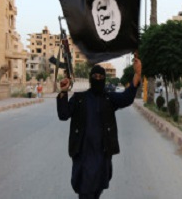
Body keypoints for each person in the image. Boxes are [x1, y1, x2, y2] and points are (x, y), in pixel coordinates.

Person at [57, 58, 142, 199]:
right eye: (95, 77)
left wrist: (137, 74)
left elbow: (126, 98)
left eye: (101, 77)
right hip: (83, 155)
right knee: (85, 191)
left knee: (97, 190)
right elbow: (63, 114)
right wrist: (63, 92)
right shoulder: (79, 98)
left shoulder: (108, 98)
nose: (98, 79)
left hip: (102, 155)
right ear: (91, 79)